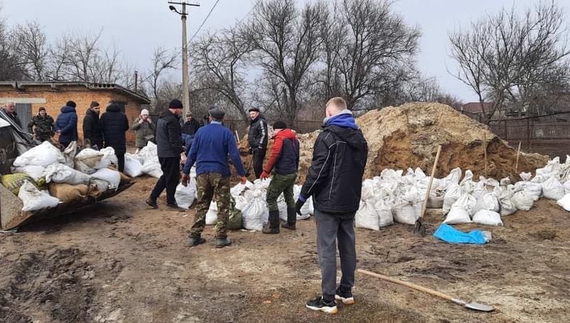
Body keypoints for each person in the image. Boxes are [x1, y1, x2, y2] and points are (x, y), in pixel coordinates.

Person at [296, 97, 368, 314]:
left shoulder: (327, 137)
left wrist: (303, 196)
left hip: (328, 203)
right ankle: (346, 291)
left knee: (326, 249)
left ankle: (328, 300)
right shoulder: (360, 139)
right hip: (350, 201)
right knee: (347, 246)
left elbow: (318, 171)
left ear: (329, 112)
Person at [181, 106, 246, 249]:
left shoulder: (200, 132)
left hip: (202, 172)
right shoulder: (227, 133)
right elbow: (234, 155)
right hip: (220, 172)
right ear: (222, 119)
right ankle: (220, 238)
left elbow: (192, 153)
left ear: (210, 117)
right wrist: (242, 174)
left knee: (202, 203)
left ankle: (194, 236)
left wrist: (185, 172)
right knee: (222, 205)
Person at [260, 121, 300, 234]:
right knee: (289, 197)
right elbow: (297, 157)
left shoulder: (280, 138)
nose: (273, 132)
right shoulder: (295, 140)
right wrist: (295, 170)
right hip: (292, 173)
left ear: (278, 129)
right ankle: (292, 223)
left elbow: (275, 155)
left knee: (271, 198)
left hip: (282, 173)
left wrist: (266, 171)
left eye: (274, 130)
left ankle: (274, 227)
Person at [146, 99, 185, 209]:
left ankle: (152, 198)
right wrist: (181, 152)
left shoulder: (161, 119)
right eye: (180, 109)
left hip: (162, 152)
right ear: (176, 108)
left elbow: (160, 136)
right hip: (170, 154)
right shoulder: (172, 120)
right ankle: (170, 202)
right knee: (172, 178)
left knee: (167, 176)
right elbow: (174, 139)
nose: (181, 112)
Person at [100, 103, 129, 172]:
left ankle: (111, 172)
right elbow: (126, 127)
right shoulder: (123, 115)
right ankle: (121, 173)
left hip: (109, 140)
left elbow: (101, 127)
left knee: (110, 156)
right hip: (120, 140)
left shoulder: (104, 115)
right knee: (121, 157)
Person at [247, 107, 268, 179]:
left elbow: (264, 134)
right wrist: (251, 146)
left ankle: (260, 180)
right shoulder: (253, 123)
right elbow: (252, 136)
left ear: (257, 113)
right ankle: (259, 179)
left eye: (253, 113)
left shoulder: (261, 122)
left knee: (257, 165)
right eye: (250, 114)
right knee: (256, 166)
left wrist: (260, 146)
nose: (251, 115)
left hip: (259, 148)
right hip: (254, 147)